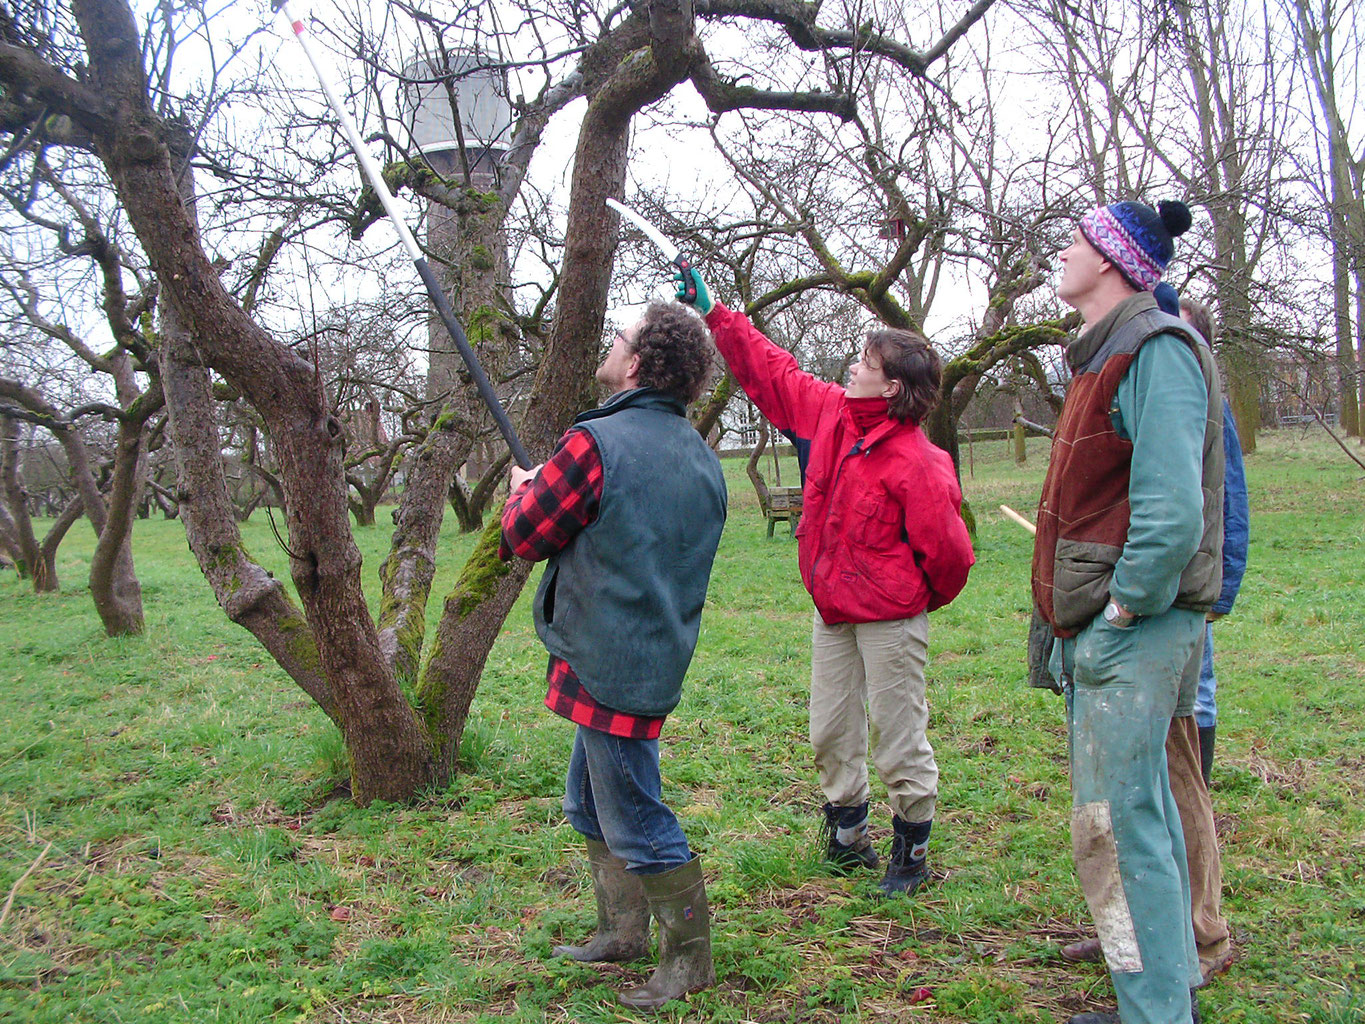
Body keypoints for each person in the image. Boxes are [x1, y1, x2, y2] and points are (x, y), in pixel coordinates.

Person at [674, 267, 975, 896]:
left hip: (888, 617)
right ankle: (846, 835)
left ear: (892, 385)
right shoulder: (833, 415)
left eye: (865, 360)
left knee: (898, 733)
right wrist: (717, 314)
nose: (852, 365)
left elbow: (950, 556)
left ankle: (911, 847)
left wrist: (908, 600)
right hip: (832, 608)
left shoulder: (920, 462)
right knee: (831, 728)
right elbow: (773, 371)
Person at [499, 301, 727, 1010]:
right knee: (587, 801)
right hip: (645, 650)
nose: (611, 343)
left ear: (636, 363)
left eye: (620, 337)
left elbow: (525, 535)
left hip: (609, 658)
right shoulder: (698, 453)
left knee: (635, 816)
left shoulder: (595, 444)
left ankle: (688, 962)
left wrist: (522, 494)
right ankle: (620, 932)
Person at [1031, 198, 1224, 1024]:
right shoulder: (1104, 354)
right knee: (1134, 816)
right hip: (1117, 630)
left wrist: (1119, 612)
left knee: (1118, 824)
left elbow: (1173, 511)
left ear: (1109, 260)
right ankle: (1160, 988)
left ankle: (1152, 1011)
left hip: (1134, 632)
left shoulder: (1156, 348)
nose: (1062, 253)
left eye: (1075, 241)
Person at [1058, 296, 1248, 987]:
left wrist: (1184, 605)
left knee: (1170, 777)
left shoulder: (1177, 374)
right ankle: (1138, 939)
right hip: (1137, 609)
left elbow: (1214, 505)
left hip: (1165, 614)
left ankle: (1196, 937)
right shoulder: (1128, 376)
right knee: (1139, 788)